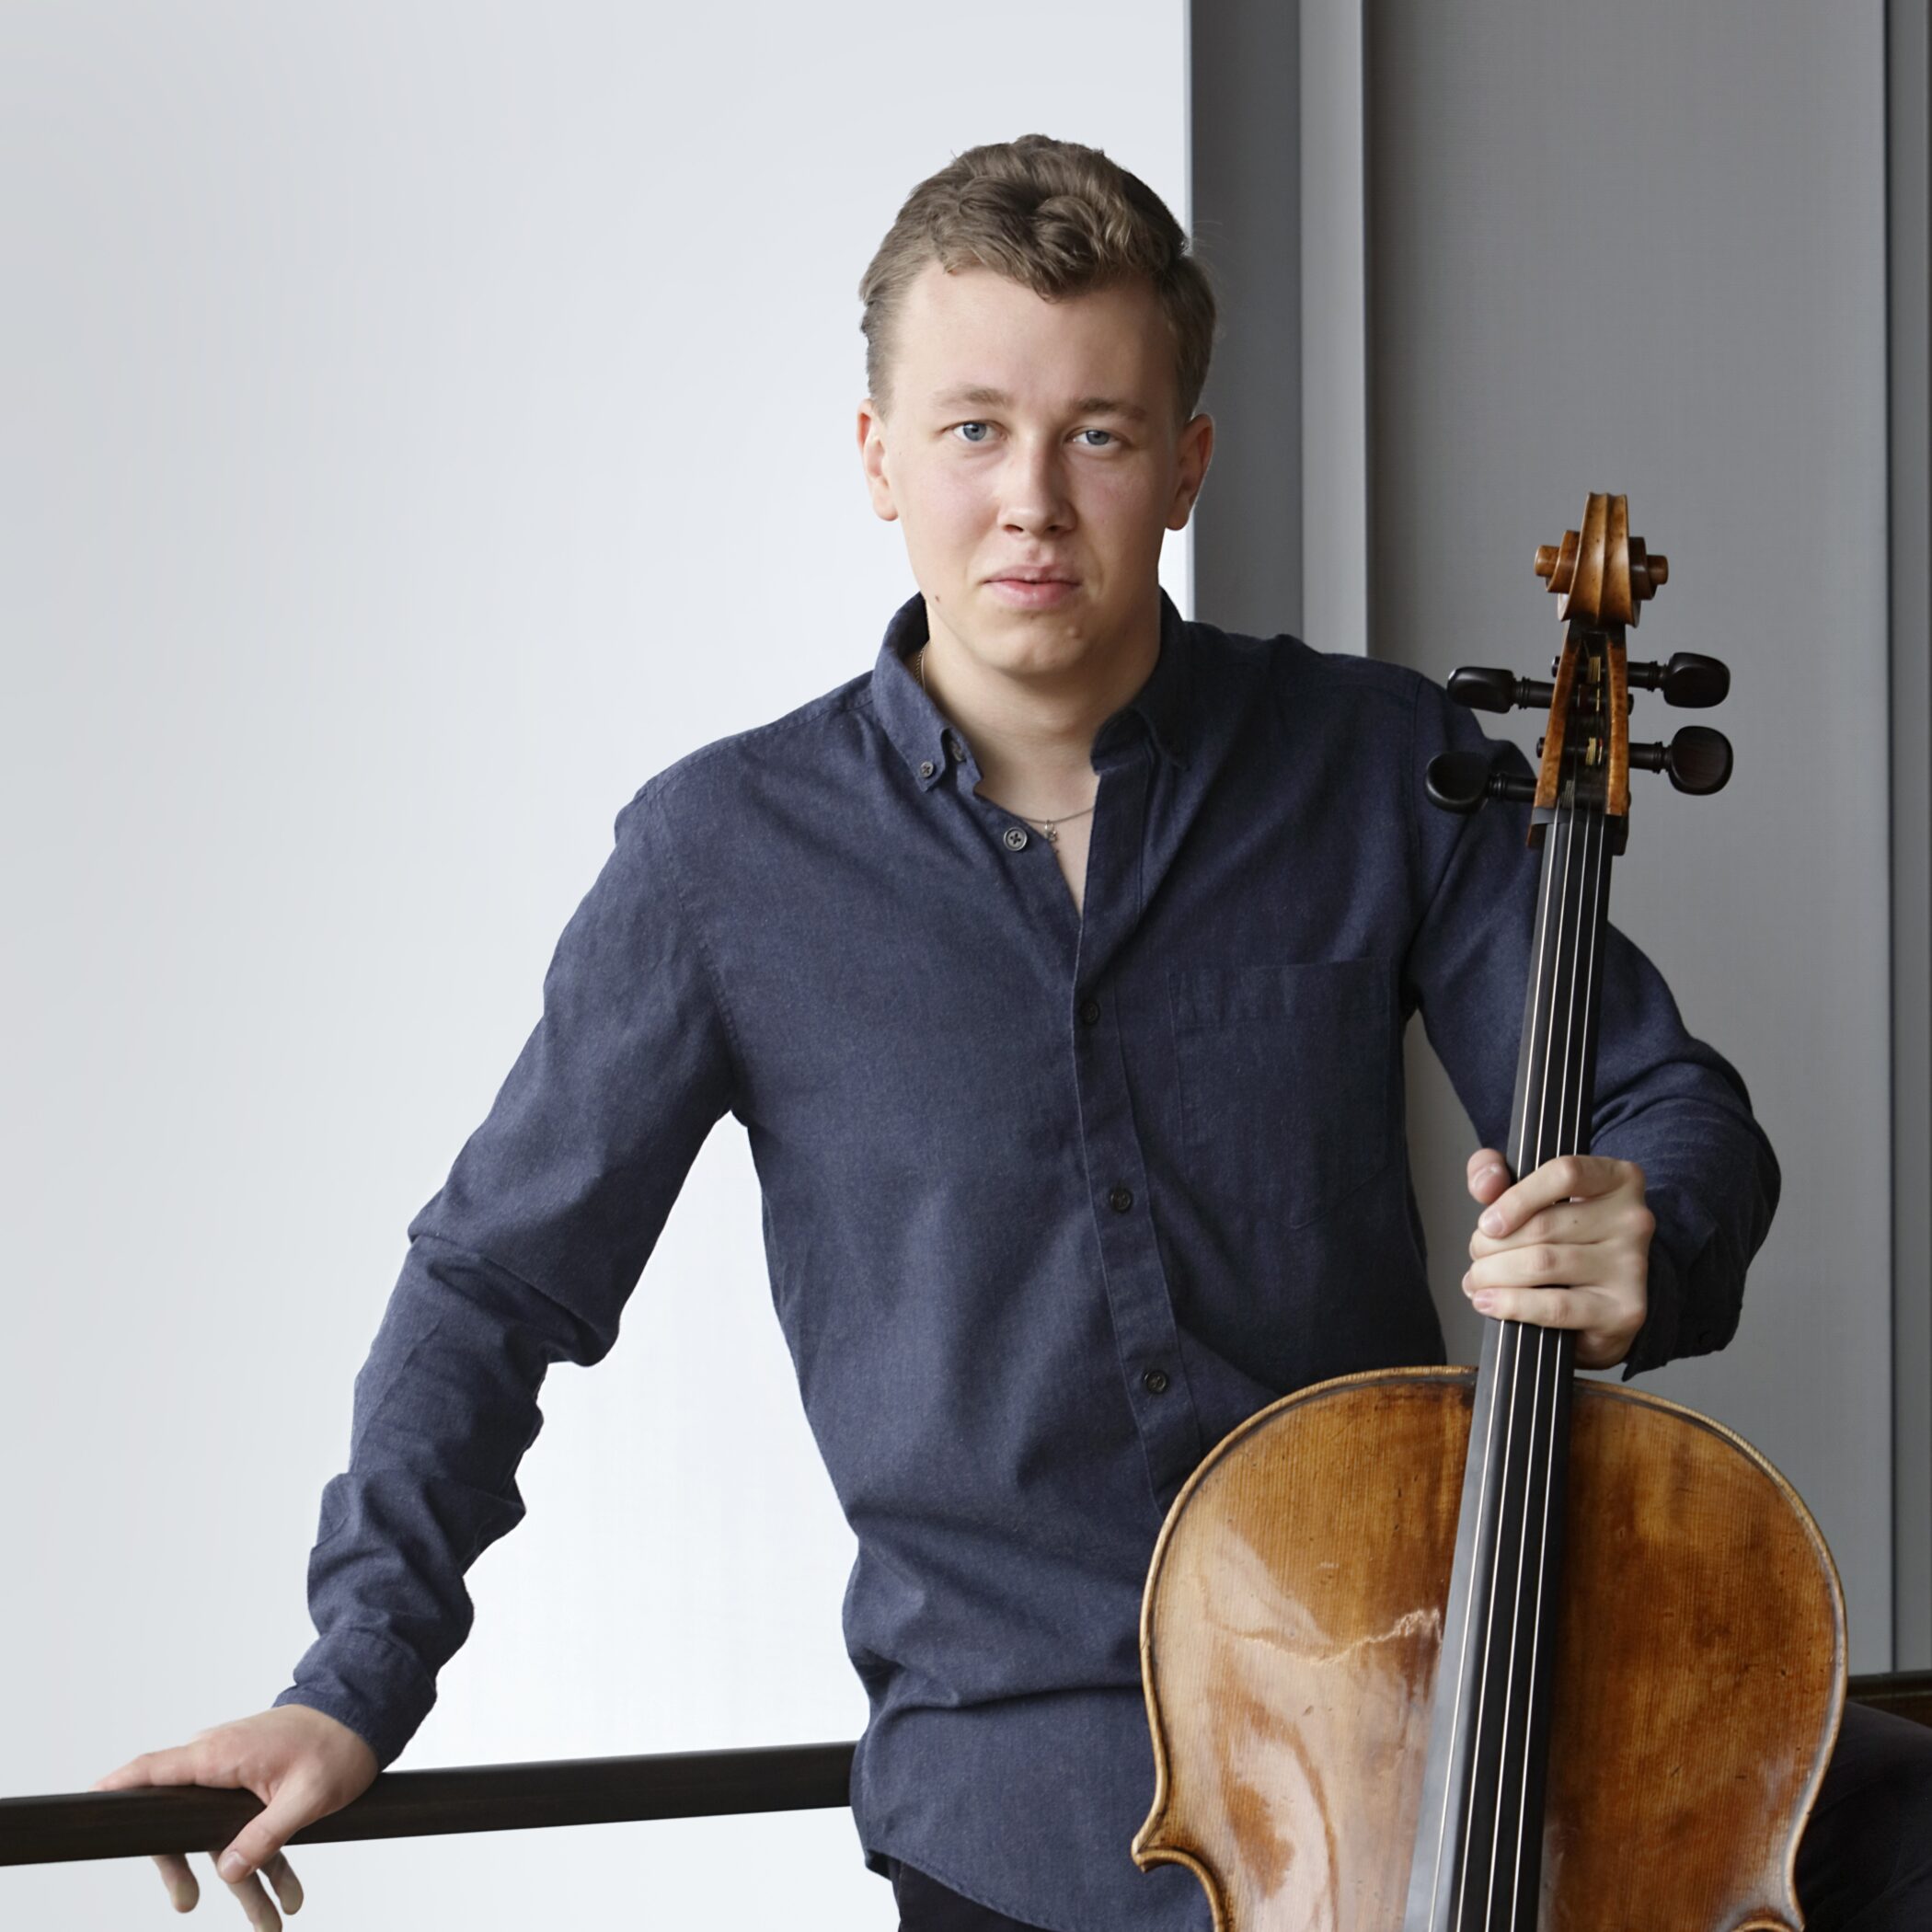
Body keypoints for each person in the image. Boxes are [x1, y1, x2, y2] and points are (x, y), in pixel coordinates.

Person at [92, 133, 1930, 1932]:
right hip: (1029, 1804)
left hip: (1427, 1691)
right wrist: (352, 1681)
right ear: (878, 457)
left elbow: (1662, 1101)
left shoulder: (1379, 763)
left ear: (1186, 464)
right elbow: (496, 1282)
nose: (1032, 500)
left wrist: (1649, 1230)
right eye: (974, 429)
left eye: (1098, 434)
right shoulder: (718, 858)